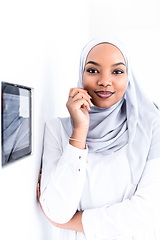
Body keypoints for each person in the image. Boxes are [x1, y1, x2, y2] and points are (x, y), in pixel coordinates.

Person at [37, 36, 160, 240]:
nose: (104, 81)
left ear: (129, 77)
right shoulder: (57, 129)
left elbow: (149, 213)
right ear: (81, 73)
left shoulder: (152, 128)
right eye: (93, 70)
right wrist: (79, 132)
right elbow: (57, 210)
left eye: (117, 71)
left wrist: (71, 222)